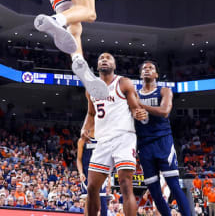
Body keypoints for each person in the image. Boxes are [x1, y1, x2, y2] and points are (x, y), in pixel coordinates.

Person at [80, 53, 147, 216]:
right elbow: (91, 113)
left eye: (108, 58)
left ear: (114, 65)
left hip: (124, 138)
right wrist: (85, 128)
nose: (104, 59)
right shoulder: (91, 89)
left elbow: (134, 107)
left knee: (125, 184)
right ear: (97, 66)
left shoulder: (123, 82)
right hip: (102, 141)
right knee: (91, 187)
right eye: (101, 58)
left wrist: (138, 113)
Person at [135, 61, 192, 216]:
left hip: (163, 142)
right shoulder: (134, 94)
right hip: (144, 144)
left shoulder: (164, 91)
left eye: (151, 68)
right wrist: (134, 112)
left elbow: (165, 111)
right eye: (144, 68)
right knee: (154, 191)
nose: (147, 70)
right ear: (140, 74)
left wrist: (139, 105)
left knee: (174, 185)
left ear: (156, 75)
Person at [76, 127, 108, 216]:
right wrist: (81, 172)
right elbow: (78, 159)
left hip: (101, 172)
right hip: (87, 174)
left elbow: (106, 158)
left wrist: (108, 177)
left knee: (103, 204)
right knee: (88, 202)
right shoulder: (82, 140)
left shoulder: (102, 139)